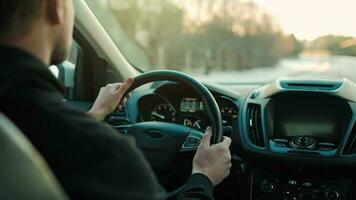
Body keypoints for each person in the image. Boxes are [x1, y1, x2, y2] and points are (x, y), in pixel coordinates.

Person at [0, 0, 232, 199]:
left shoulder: (23, 119)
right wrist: (203, 176)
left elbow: (41, 139)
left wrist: (95, 114)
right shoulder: (105, 156)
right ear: (56, 7)